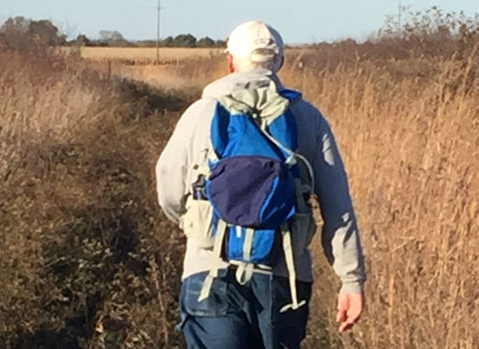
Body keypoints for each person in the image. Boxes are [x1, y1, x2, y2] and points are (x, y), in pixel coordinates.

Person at [155, 20, 367, 349]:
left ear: (230, 62)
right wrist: (351, 280)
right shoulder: (309, 118)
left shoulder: (200, 113)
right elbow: (338, 206)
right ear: (279, 62)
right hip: (285, 280)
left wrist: (195, 226)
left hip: (209, 273)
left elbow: (168, 188)